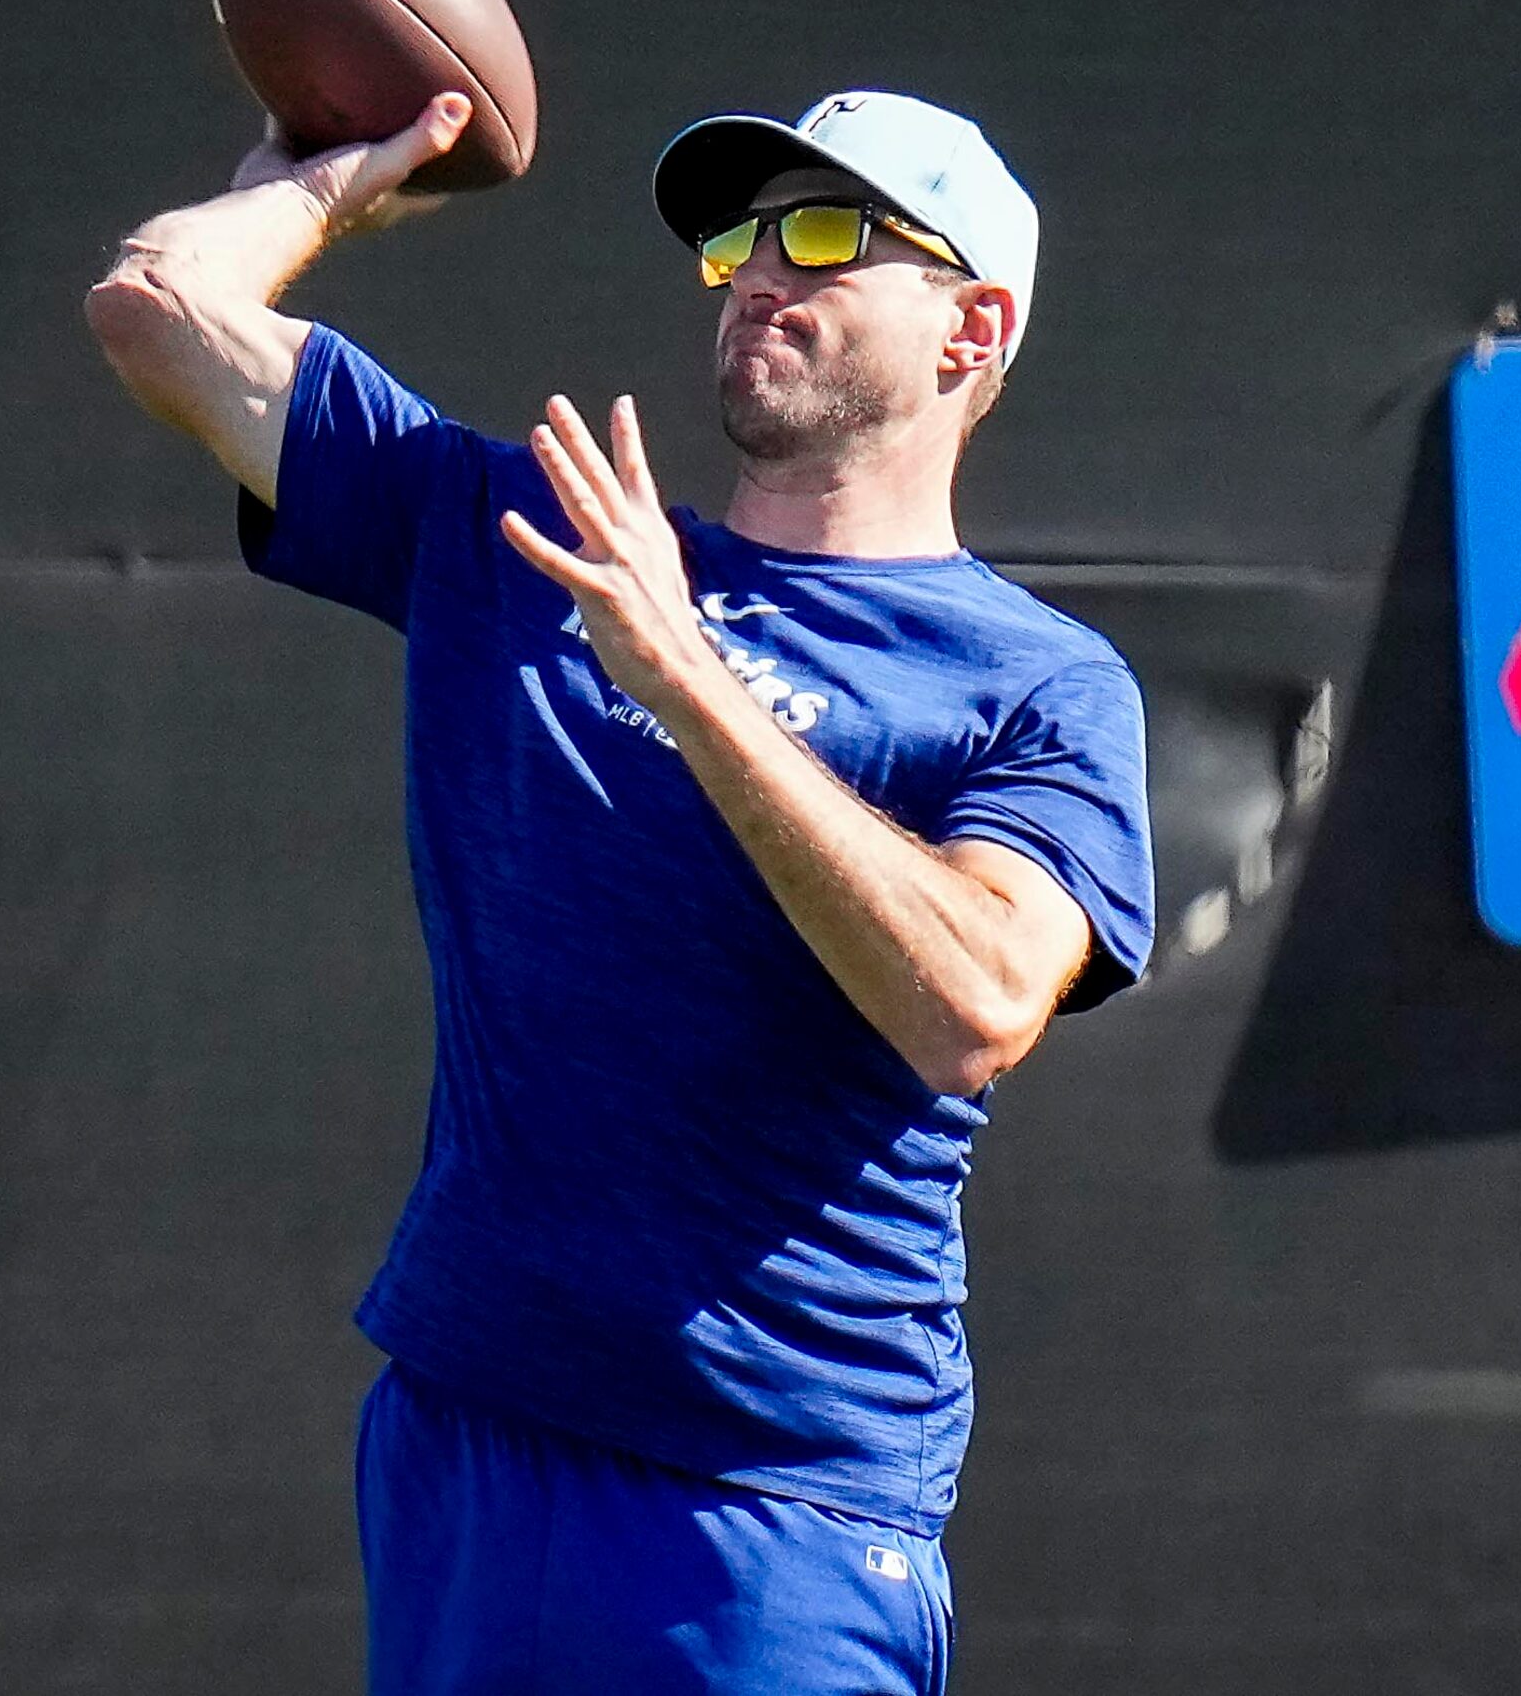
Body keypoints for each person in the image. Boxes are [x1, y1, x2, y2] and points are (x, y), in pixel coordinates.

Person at [82, 86, 1157, 1695]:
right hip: (470, 1426)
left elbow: (977, 1005)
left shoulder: (1040, 685)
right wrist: (321, 187)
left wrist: (688, 677)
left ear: (969, 327)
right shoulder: (538, 535)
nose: (759, 277)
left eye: (827, 238)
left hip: (764, 1502)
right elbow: (160, 311)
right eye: (743, 237)